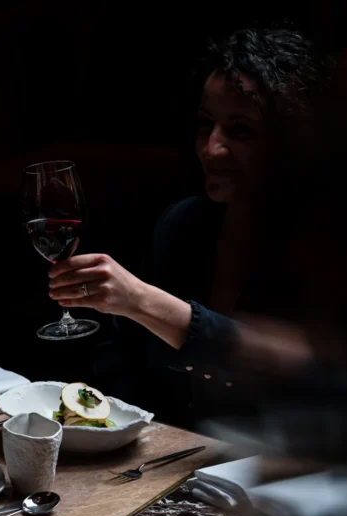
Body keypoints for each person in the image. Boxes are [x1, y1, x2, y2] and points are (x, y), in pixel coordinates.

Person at [45, 28, 328, 428]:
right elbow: (122, 361)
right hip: (172, 464)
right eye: (205, 124)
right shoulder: (183, 224)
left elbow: (315, 377)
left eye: (241, 129)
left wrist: (142, 300)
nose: (211, 147)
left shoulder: (332, 243)